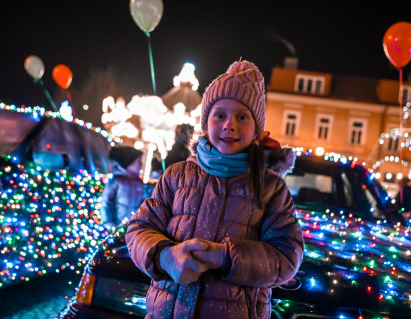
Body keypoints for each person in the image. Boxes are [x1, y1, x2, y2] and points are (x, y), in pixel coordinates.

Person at [126, 60, 304, 319]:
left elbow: (287, 257)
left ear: (256, 130)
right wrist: (166, 257)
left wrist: (226, 257)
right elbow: (139, 229)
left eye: (242, 117)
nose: (229, 124)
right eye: (219, 115)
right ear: (205, 123)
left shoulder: (270, 189)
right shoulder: (176, 175)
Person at [100, 145, 147, 228]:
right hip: (116, 227)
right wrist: (108, 223)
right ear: (129, 162)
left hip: (133, 228)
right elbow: (106, 203)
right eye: (139, 162)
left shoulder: (139, 183)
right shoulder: (117, 180)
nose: (141, 165)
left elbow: (144, 204)